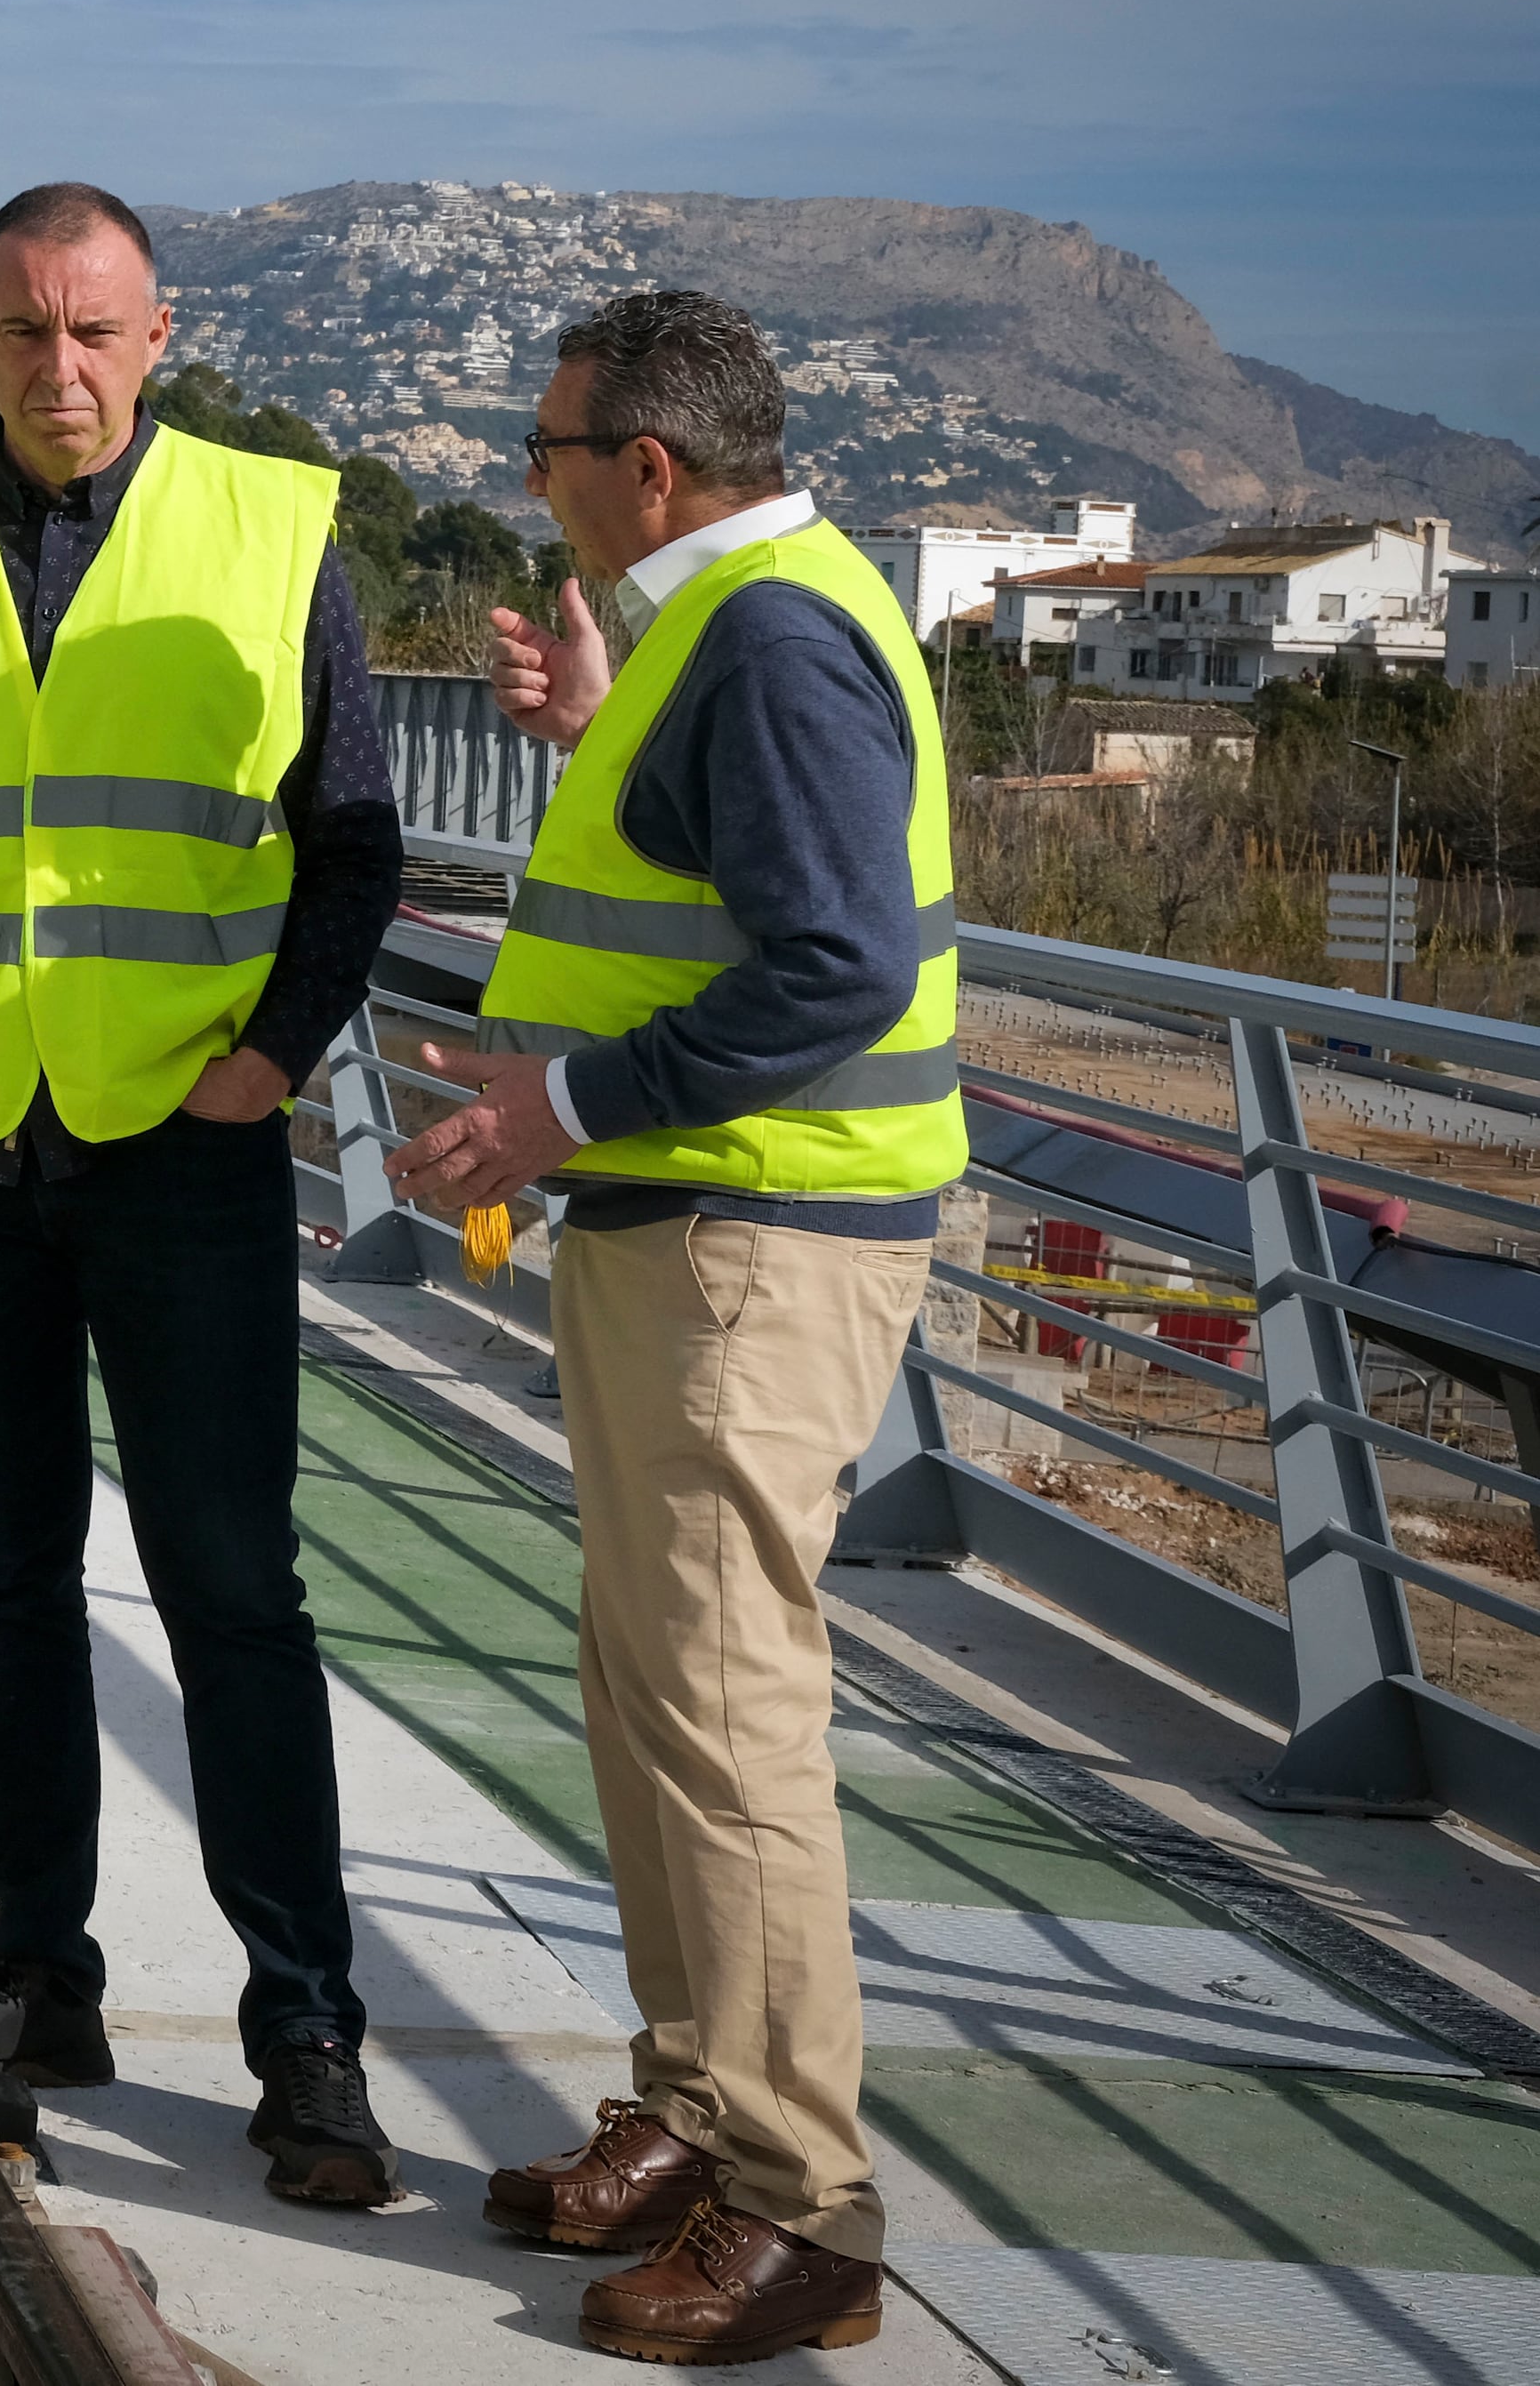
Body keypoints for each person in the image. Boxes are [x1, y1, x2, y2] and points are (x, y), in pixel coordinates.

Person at [0, 181, 407, 2204]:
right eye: (21, 332)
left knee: (232, 1590)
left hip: (179, 1156)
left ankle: (304, 2028)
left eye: (95, 331)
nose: (59, 368)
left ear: (159, 332)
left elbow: (354, 838)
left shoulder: (270, 527)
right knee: (5, 1582)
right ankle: (41, 1970)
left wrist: (274, 1056)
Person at [389, 288, 954, 2366]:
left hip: (751, 1239)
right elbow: (701, 888)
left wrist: (548, 1106)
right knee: (649, 1690)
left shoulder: (778, 640)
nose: (529, 478)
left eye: (544, 448)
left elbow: (825, 961)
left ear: (646, 463)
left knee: (721, 1724)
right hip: (692, 1228)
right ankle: (701, 2110)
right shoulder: (725, 623)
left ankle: (803, 2210)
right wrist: (585, 729)